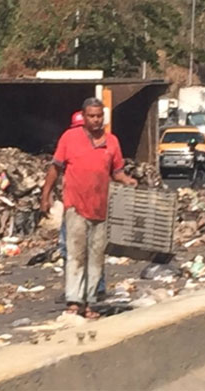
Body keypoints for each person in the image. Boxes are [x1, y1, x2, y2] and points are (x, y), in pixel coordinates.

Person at [41, 98, 137, 318]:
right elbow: (55, 168)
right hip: (75, 205)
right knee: (76, 254)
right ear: (83, 117)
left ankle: (91, 303)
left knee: (96, 257)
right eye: (92, 116)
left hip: (102, 208)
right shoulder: (70, 138)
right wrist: (45, 195)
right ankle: (74, 301)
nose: (96, 120)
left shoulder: (111, 142)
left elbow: (117, 172)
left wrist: (127, 180)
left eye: (99, 116)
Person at [56, 111, 106, 304]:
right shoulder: (71, 145)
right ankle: (80, 291)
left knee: (84, 250)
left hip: (88, 208)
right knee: (78, 250)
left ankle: (92, 290)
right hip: (75, 207)